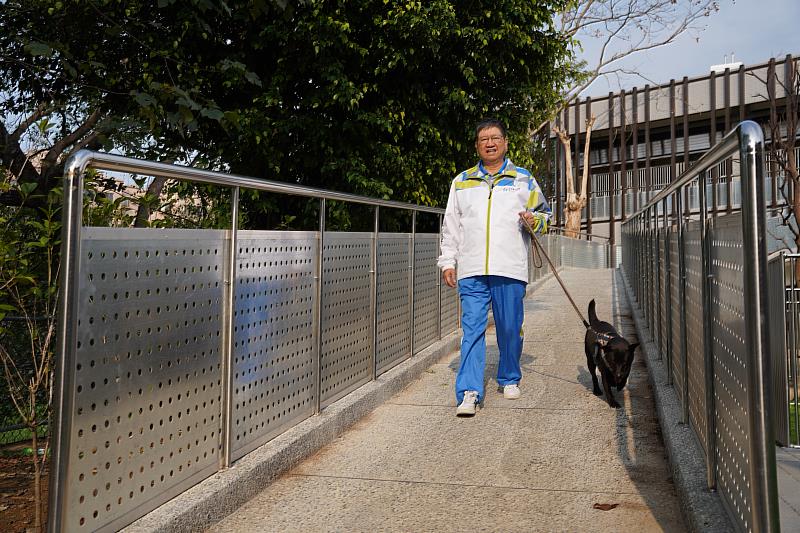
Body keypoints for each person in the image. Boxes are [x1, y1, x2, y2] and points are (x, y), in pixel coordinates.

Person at [437, 118, 551, 417]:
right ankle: (470, 391)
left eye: (495, 137)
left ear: (505, 142)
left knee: (510, 327)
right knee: (472, 329)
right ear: (477, 146)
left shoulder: (523, 178)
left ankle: (510, 376)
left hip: (509, 267)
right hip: (472, 269)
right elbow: (451, 226)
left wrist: (534, 220)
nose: (490, 143)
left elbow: (546, 216)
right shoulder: (461, 181)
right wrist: (448, 261)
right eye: (483, 139)